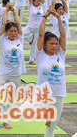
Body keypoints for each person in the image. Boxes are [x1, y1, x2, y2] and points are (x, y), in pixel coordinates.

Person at [0, 5, 26, 130]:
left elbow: (19, 25)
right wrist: (6, 11)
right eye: (11, 31)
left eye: (15, 31)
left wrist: (14, 12)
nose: (14, 33)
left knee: (10, 100)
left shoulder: (20, 38)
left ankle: (6, 120)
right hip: (3, 73)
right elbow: (4, 23)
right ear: (7, 32)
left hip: (16, 74)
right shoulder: (3, 39)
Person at [37, 8, 66, 137]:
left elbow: (63, 35)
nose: (54, 46)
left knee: (52, 126)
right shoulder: (40, 54)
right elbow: (41, 34)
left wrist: (59, 17)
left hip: (59, 94)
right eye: (51, 44)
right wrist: (45, 16)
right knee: (48, 122)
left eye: (56, 44)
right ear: (44, 45)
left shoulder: (61, 54)